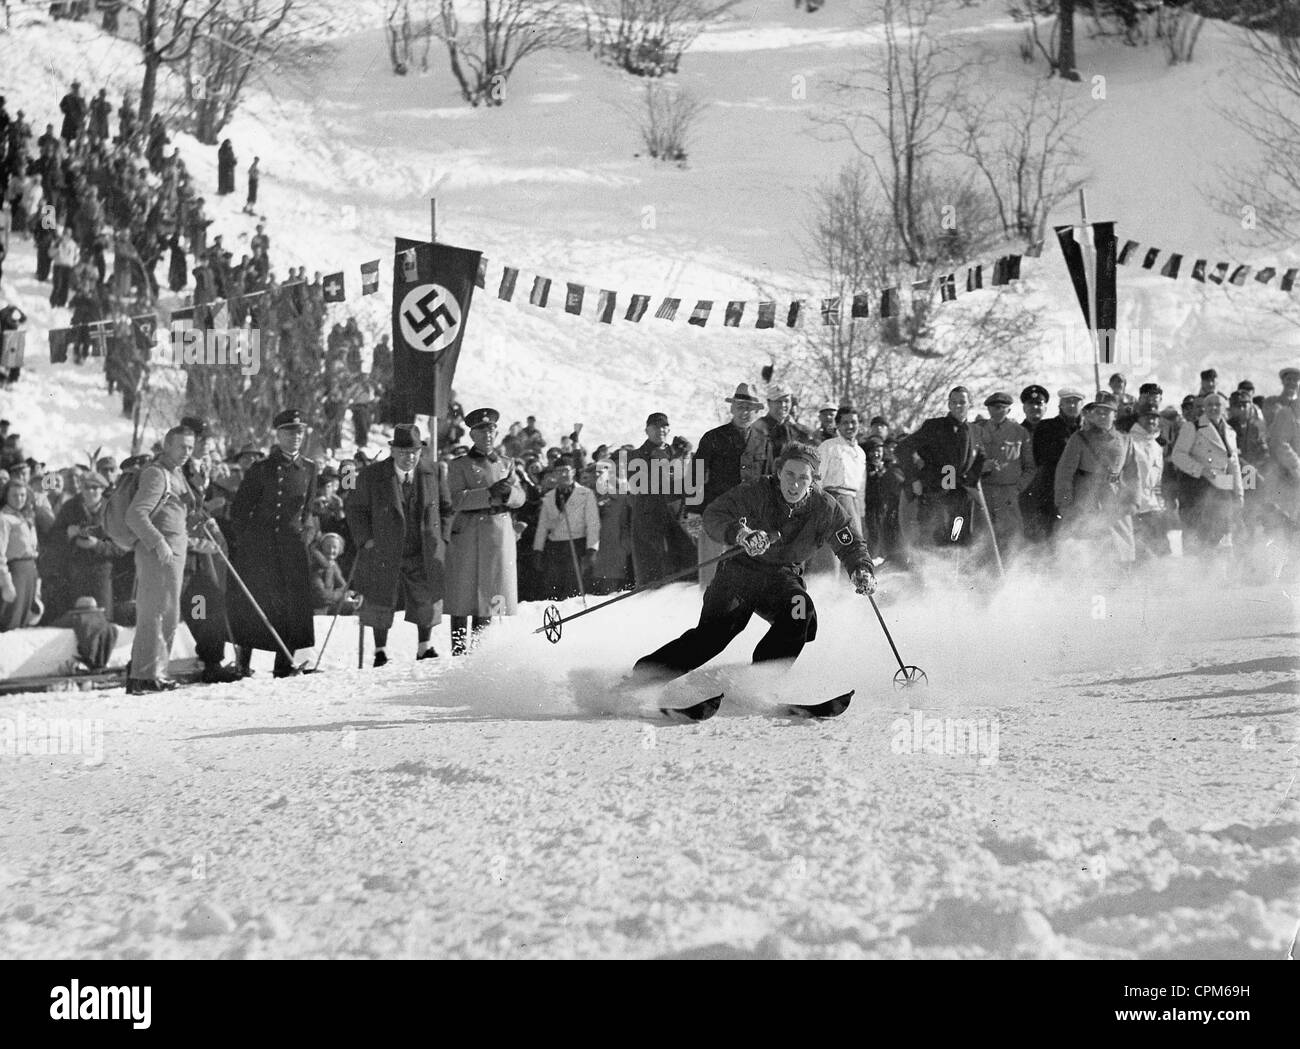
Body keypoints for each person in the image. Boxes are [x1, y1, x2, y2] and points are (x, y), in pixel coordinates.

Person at [629, 444, 876, 690]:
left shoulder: (826, 508)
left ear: (813, 481)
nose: (795, 484)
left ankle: (758, 682)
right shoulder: (756, 491)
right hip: (740, 571)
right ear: (779, 472)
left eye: (803, 478)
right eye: (789, 474)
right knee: (714, 635)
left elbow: (851, 543)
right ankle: (645, 676)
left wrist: (860, 569)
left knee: (800, 612)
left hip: (782, 576)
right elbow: (715, 514)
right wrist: (741, 533)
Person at [347, 423, 446, 667]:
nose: (408, 457)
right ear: (392, 451)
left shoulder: (433, 473)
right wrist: (366, 540)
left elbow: (447, 507)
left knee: (425, 597)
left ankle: (424, 647)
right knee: (380, 599)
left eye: (413, 452)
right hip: (383, 550)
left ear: (420, 452)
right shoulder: (372, 475)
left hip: (421, 549)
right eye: (402, 452)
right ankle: (380, 652)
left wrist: (441, 538)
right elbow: (355, 509)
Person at [228, 409, 318, 677]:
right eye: (289, 432)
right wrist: (249, 541)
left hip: (292, 546)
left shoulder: (310, 468)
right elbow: (240, 510)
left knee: (291, 605)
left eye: (299, 432)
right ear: (278, 435)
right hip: (260, 547)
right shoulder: (261, 469)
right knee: (254, 601)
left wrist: (305, 534)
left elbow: (308, 511)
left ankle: (285, 662)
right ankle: (243, 662)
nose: (295, 437)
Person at [442, 408, 525, 656]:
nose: (487, 435)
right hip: (469, 533)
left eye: (491, 430)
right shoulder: (459, 466)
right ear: (472, 435)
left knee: (491, 591)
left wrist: (508, 494)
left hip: (498, 533)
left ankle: (481, 650)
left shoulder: (506, 464)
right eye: (481, 431)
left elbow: (521, 497)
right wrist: (489, 494)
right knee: (462, 593)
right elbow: (455, 499)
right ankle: (459, 649)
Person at [123, 425, 195, 693]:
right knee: (156, 613)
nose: (187, 452)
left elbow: (175, 517)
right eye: (181, 447)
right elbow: (135, 515)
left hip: (172, 553)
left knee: (166, 613)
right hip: (158, 554)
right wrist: (158, 542)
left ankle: (153, 672)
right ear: (167, 446)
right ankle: (146, 675)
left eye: (190, 447)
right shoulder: (156, 474)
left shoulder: (176, 473)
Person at [687, 382, 769, 587]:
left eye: (749, 408)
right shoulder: (713, 437)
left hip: (751, 518)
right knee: (710, 575)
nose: (744, 412)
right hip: (716, 515)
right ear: (732, 408)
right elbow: (695, 474)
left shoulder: (763, 442)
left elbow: (768, 480)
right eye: (740, 407)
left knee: (748, 577)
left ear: (756, 412)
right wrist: (693, 512)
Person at [1053, 393, 1139, 570]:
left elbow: (1132, 474)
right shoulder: (1079, 438)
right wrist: (1065, 503)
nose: (1101, 415)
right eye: (1097, 411)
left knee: (1121, 550)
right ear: (1090, 415)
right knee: (1088, 550)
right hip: (1086, 499)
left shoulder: (1125, 440)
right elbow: (1064, 473)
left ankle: (1122, 586)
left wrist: (1133, 501)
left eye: (1106, 412)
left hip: (1116, 501)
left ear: (1115, 415)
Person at [897, 386, 984, 549]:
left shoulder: (976, 430)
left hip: (961, 496)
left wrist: (971, 481)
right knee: (934, 537)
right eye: (954, 402)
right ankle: (929, 572)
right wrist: (914, 479)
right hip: (936, 493)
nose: (958, 406)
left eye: (962, 402)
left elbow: (980, 457)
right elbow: (903, 449)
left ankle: (956, 573)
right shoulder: (934, 426)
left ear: (970, 404)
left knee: (958, 538)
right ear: (949, 405)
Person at [627, 411, 695, 586]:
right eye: (655, 426)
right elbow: (640, 485)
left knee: (687, 571)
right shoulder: (635, 456)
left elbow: (688, 484)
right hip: (648, 518)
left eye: (664, 426)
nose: (661, 430)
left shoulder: (678, 452)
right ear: (647, 430)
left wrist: (686, 457)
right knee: (653, 575)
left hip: (676, 517)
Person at [1171, 391, 1244, 555]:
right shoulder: (1193, 427)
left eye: (1218, 404)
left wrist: (1239, 494)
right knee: (1199, 534)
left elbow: (1234, 465)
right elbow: (1178, 455)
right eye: (1209, 404)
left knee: (1223, 533)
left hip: (1222, 484)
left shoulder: (1230, 431)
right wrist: (1200, 469)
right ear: (1204, 408)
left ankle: (1221, 573)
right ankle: (1198, 574)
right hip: (1198, 485)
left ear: (1224, 407)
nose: (1214, 408)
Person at [972, 391, 1035, 560]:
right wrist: (980, 467)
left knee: (1011, 537)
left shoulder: (1020, 432)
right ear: (988, 410)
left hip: (1009, 493)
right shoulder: (978, 431)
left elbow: (1030, 467)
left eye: (1002, 408)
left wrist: (1017, 488)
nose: (998, 411)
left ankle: (1011, 574)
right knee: (984, 536)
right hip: (984, 491)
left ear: (1009, 410)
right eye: (994, 408)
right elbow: (969, 461)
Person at [532, 461, 600, 601]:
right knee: (553, 588)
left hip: (577, 545)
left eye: (566, 470)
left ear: (573, 472)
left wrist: (592, 550)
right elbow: (542, 526)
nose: (563, 474)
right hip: (555, 547)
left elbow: (593, 524)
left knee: (574, 589)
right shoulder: (549, 497)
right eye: (558, 471)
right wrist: (538, 550)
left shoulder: (586, 494)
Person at [811, 405, 866, 575]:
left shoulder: (860, 452)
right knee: (831, 549)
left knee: (854, 548)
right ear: (838, 425)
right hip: (831, 501)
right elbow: (816, 478)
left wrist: (861, 511)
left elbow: (861, 485)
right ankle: (826, 587)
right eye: (845, 423)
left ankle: (853, 586)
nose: (850, 427)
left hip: (852, 503)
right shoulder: (829, 446)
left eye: (854, 422)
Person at [1031, 387, 1085, 539]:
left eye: (1076, 402)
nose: (1072, 405)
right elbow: (1039, 458)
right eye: (1068, 402)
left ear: (1082, 405)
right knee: (1054, 534)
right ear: (1060, 405)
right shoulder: (1046, 427)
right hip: (1052, 489)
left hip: (1082, 490)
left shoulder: (1088, 430)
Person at [1128, 406, 1169, 560]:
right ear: (1138, 418)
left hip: (1154, 508)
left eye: (1154, 417)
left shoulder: (1157, 445)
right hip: (1136, 508)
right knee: (1141, 555)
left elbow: (1157, 478)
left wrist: (1160, 500)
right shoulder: (1129, 440)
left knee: (1162, 553)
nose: (1151, 420)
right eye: (1146, 416)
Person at [0, 478, 40, 631]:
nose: (19, 499)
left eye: (22, 495)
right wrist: (6, 583)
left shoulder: (25, 517)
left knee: (24, 618)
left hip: (29, 570)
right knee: (10, 618)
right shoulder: (3, 519)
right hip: (15, 572)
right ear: (6, 496)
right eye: (14, 496)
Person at [752, 383, 811, 460]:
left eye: (786, 401)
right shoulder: (757, 428)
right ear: (769, 403)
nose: (783, 405)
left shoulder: (798, 431)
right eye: (778, 401)